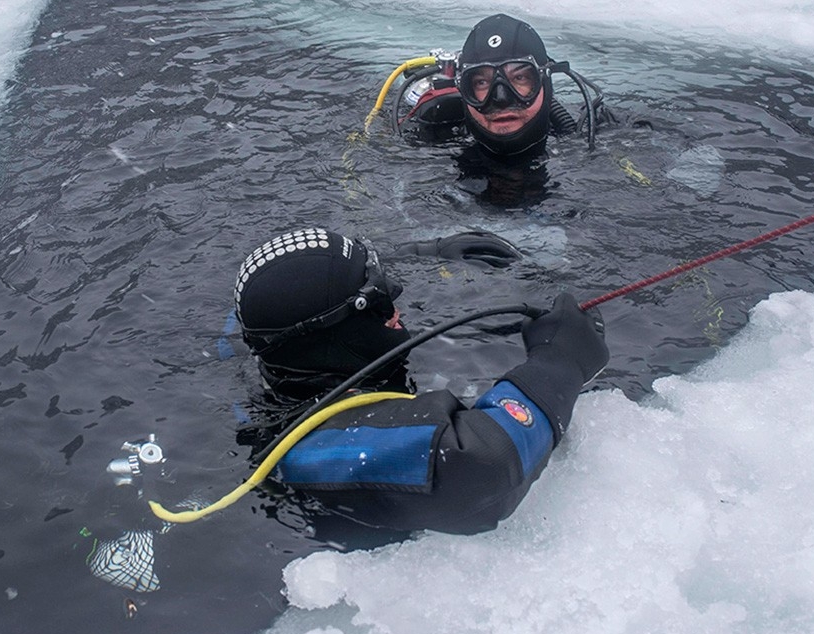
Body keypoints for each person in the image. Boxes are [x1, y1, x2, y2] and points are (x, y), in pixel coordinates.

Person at [232, 227, 608, 534]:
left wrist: (424, 252)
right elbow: (481, 465)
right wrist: (559, 363)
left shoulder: (281, 355)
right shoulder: (308, 449)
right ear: (331, 336)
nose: (395, 301)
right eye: (374, 297)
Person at [392, 13, 610, 157]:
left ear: (545, 82)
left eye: (520, 78)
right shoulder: (430, 138)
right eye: (481, 82)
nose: (501, 98)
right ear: (463, 88)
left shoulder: (598, 138)